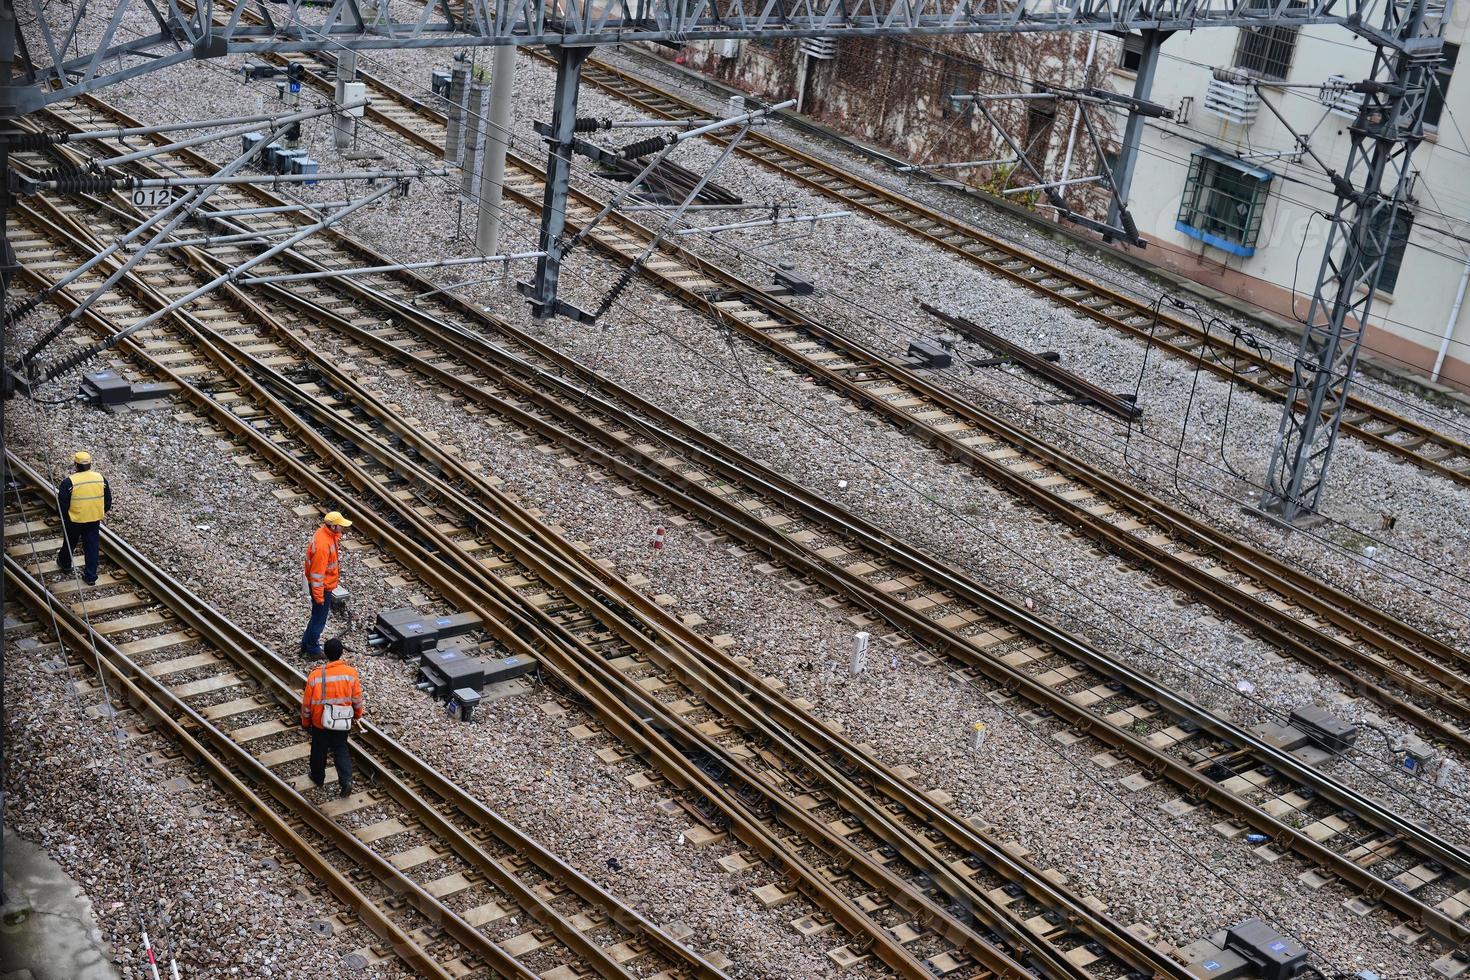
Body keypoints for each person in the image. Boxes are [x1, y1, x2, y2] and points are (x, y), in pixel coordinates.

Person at [300, 638, 364, 798]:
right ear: (341, 653)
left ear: (326, 654)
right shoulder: (351, 674)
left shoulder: (315, 675)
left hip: (320, 721)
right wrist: (357, 715)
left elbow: (307, 703)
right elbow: (357, 698)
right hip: (342, 720)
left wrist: (305, 721)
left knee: (318, 749)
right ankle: (346, 781)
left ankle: (318, 778)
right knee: (341, 748)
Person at [300, 510, 351, 658]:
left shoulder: (325, 535)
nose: (342, 528)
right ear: (333, 527)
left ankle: (306, 644)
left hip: (323, 587)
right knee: (319, 619)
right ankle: (313, 649)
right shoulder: (324, 545)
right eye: (340, 526)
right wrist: (319, 597)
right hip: (322, 589)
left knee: (316, 616)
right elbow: (317, 575)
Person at [57, 451, 112, 586]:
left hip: (74, 520)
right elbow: (108, 502)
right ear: (90, 464)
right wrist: (98, 512)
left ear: (76, 465)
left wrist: (65, 518)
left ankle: (65, 564)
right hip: (93, 520)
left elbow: (62, 505)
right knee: (92, 547)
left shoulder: (69, 482)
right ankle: (91, 576)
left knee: (69, 543)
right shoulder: (100, 479)